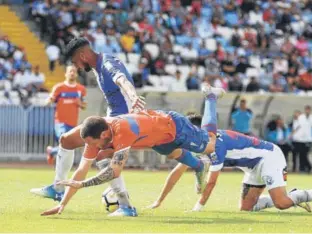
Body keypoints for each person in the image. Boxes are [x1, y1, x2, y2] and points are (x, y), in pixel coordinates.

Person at [40, 85, 225, 217]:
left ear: (104, 134)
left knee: (210, 144)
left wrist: (83, 185)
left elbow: (114, 171)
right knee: (173, 154)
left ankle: (210, 96)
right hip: (156, 139)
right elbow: (81, 171)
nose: (93, 148)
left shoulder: (123, 131)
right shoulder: (93, 133)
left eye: (94, 144)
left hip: (174, 126)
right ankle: (200, 166)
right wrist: (63, 203)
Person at [30, 37, 146, 217]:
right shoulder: (97, 67)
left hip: (123, 121)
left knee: (100, 156)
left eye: (75, 61)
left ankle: (126, 206)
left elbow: (121, 79)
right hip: (112, 118)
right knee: (66, 140)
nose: (75, 66)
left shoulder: (107, 62)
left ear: (83, 55)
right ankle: (59, 188)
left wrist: (133, 95)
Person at [147, 115, 312, 214]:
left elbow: (212, 182)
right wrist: (159, 200)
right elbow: (177, 171)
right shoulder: (196, 142)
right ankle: (294, 195)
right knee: (246, 209)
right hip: (252, 166)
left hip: (269, 157)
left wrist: (197, 208)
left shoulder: (216, 144)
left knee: (282, 204)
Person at [45, 65, 86, 165]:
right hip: (60, 121)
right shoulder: (59, 87)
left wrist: (80, 103)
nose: (72, 73)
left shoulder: (81, 89)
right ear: (66, 74)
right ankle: (59, 162)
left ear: (76, 74)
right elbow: (48, 101)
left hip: (73, 123)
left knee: (70, 145)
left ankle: (52, 151)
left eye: (74, 71)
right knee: (65, 142)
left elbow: (84, 106)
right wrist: (49, 100)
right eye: (70, 71)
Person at [291, 105, 312, 173]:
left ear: (310, 110)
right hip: (300, 139)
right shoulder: (301, 117)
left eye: (309, 110)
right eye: (306, 110)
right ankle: (303, 169)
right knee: (301, 154)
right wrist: (292, 134)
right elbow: (297, 127)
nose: (307, 111)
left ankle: (309, 167)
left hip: (308, 139)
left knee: (304, 154)